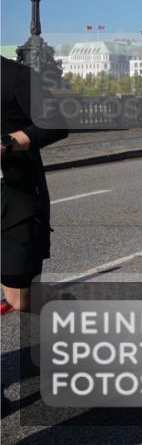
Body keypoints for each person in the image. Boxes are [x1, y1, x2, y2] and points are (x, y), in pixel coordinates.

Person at [1, 57, 68, 313]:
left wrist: (7, 142)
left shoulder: (16, 76)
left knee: (19, 298)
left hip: (15, 201)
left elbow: (56, 123)